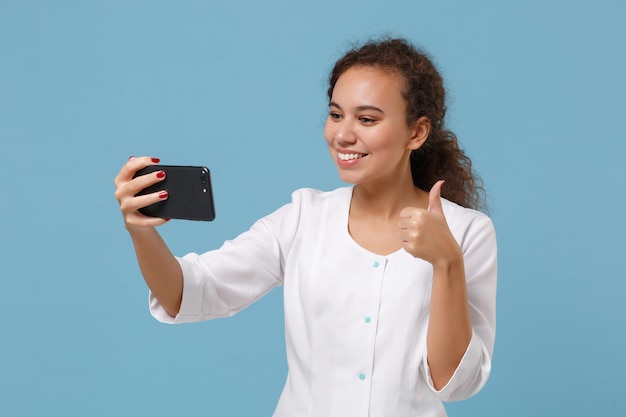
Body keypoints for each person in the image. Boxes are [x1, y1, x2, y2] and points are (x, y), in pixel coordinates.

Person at [114, 37, 497, 417]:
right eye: (335, 114)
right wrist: (141, 231)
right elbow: (189, 291)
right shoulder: (303, 218)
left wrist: (447, 263)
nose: (343, 134)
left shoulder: (466, 233)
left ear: (416, 133)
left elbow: (455, 383)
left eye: (366, 119)